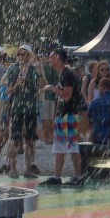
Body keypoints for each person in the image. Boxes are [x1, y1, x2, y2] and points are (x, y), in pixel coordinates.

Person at [39, 48, 84, 187]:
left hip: (69, 115)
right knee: (59, 147)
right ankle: (56, 176)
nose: (48, 59)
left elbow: (67, 95)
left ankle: (79, 176)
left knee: (72, 146)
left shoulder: (67, 74)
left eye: (51, 57)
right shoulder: (62, 74)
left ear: (58, 58)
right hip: (62, 114)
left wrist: (51, 88)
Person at [4, 44, 43, 178]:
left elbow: (41, 87)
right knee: (15, 139)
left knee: (30, 140)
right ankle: (12, 169)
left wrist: (40, 72)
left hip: (31, 108)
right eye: (19, 54)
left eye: (24, 54)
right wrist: (15, 86)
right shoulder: (13, 69)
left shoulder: (34, 70)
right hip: (17, 108)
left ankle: (28, 169)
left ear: (29, 55)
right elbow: (8, 90)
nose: (21, 56)